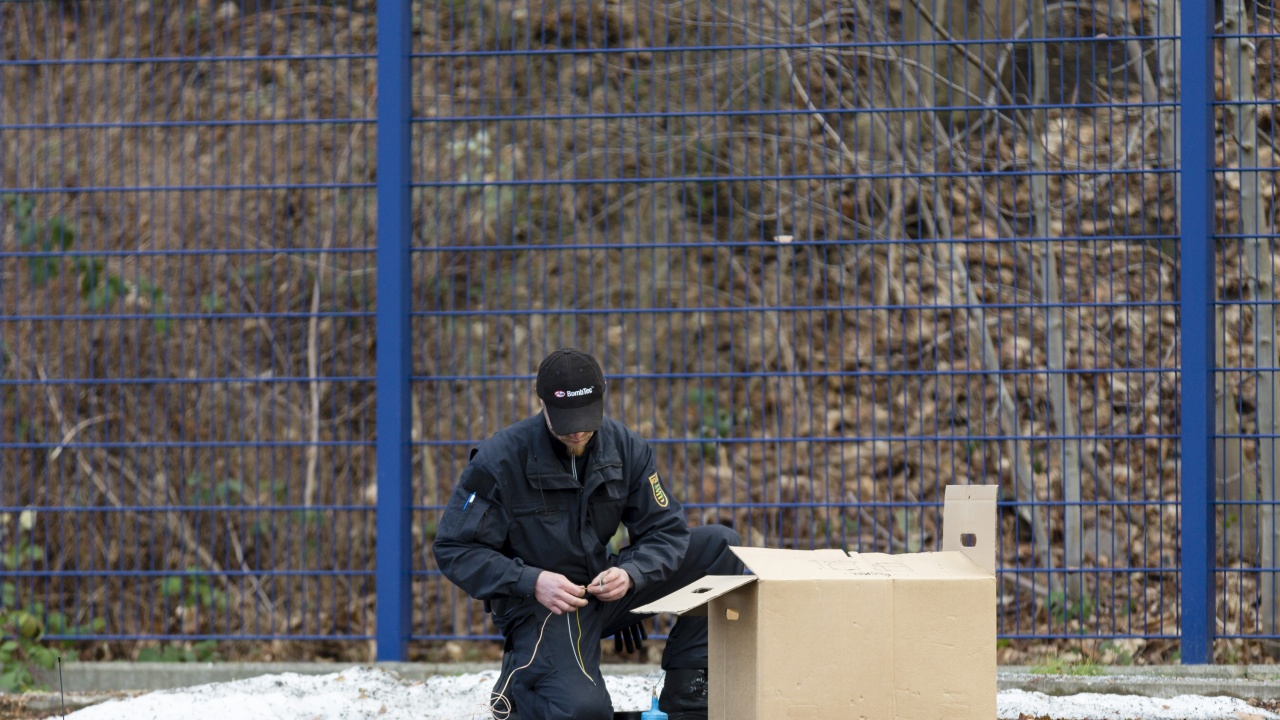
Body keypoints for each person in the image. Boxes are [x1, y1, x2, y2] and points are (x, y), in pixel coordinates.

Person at [433, 347, 745, 720]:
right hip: (543, 606)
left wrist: (632, 574)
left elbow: (666, 530)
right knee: (585, 712)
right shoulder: (499, 460)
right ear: (542, 403)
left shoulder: (626, 447)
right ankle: (521, 683)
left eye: (586, 416)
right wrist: (530, 580)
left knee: (722, 548)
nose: (578, 429)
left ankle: (689, 689)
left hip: (604, 587)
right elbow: (454, 548)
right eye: (565, 420)